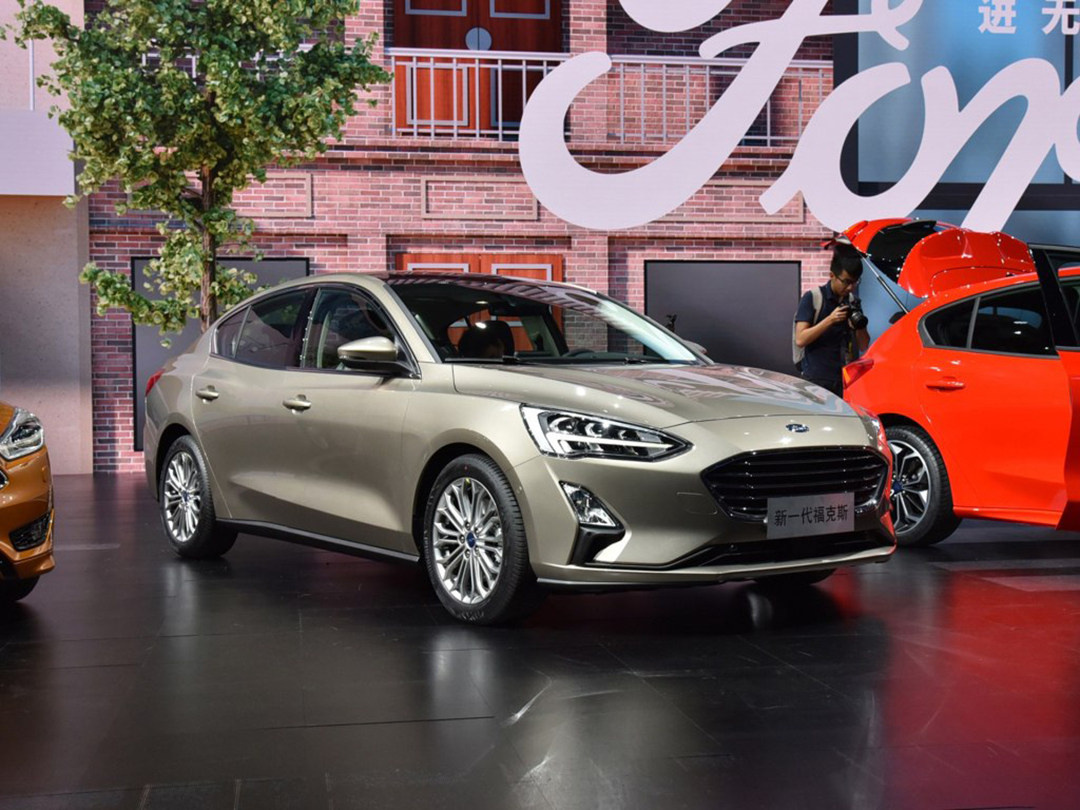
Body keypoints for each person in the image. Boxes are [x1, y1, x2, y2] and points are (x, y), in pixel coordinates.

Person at [794, 242, 870, 396]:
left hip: (845, 380)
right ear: (832, 275)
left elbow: (863, 345)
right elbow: (800, 339)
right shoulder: (813, 297)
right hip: (815, 380)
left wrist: (858, 326)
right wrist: (830, 320)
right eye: (846, 282)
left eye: (855, 282)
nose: (851, 287)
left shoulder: (853, 301)